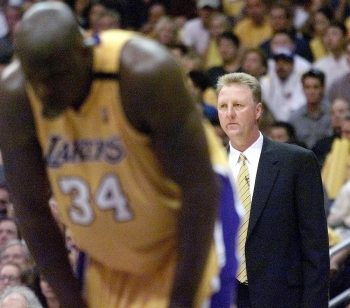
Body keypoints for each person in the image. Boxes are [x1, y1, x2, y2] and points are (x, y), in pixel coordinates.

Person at [0, 2, 239, 308]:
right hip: (107, 254)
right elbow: (31, 209)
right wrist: (73, 301)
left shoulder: (144, 73)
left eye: (56, 78)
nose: (46, 93)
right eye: (37, 83)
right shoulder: (17, 95)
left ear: (85, 53)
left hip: (184, 231)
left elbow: (200, 190)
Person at [217, 72, 330, 307]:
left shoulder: (297, 162)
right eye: (223, 106)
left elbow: (315, 250)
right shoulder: (206, 166)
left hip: (281, 298)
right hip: (223, 297)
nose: (229, 113)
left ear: (258, 111)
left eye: (238, 105)